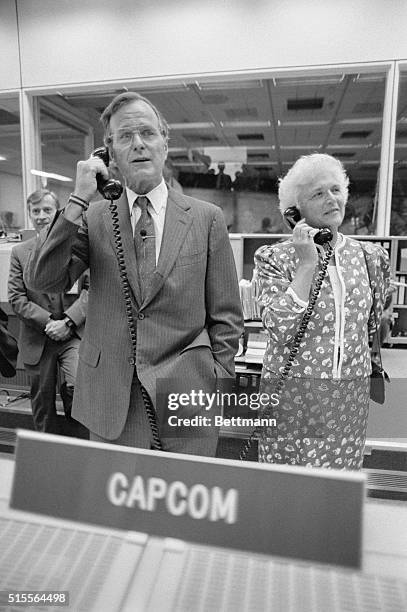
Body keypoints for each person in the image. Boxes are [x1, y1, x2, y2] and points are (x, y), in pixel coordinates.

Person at [24, 92, 243, 456]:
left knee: (182, 503)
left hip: (187, 392)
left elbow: (227, 316)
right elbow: (43, 280)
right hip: (111, 396)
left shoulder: (206, 218)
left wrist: (216, 381)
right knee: (116, 508)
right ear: (109, 152)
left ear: (164, 143)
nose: (138, 143)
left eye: (148, 133)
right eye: (125, 136)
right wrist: (78, 200)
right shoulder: (93, 216)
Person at [253, 153, 390, 470]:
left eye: (336, 189)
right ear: (294, 210)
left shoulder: (370, 257)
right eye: (318, 193)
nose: (332, 199)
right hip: (292, 402)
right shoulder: (274, 258)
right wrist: (306, 266)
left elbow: (371, 329)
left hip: (347, 404)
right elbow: (279, 328)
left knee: (335, 497)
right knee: (288, 496)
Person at [8, 189, 89, 436]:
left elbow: (91, 290)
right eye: (36, 211)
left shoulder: (79, 246)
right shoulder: (20, 252)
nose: (42, 215)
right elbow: (17, 298)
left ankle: (82, 452)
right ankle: (48, 456)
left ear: (59, 213)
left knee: (79, 394)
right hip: (38, 339)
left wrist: (68, 321)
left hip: (72, 335)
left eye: (47, 210)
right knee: (43, 406)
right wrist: (50, 322)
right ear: (31, 215)